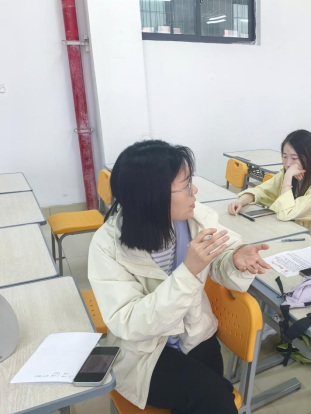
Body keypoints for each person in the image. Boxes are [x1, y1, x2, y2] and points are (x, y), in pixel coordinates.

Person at [88, 140, 271, 414]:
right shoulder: (107, 246)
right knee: (215, 399)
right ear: (153, 196)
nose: (194, 191)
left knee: (214, 397)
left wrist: (235, 257)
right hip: (144, 350)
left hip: (193, 331)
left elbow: (222, 253)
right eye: (186, 185)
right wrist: (188, 271)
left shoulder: (195, 218)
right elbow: (129, 322)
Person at [228, 130, 311, 241]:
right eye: (284, 156)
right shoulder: (289, 173)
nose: (288, 163)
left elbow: (285, 214)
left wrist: (288, 176)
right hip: (298, 233)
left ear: (308, 157)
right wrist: (240, 202)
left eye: (294, 158)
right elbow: (261, 191)